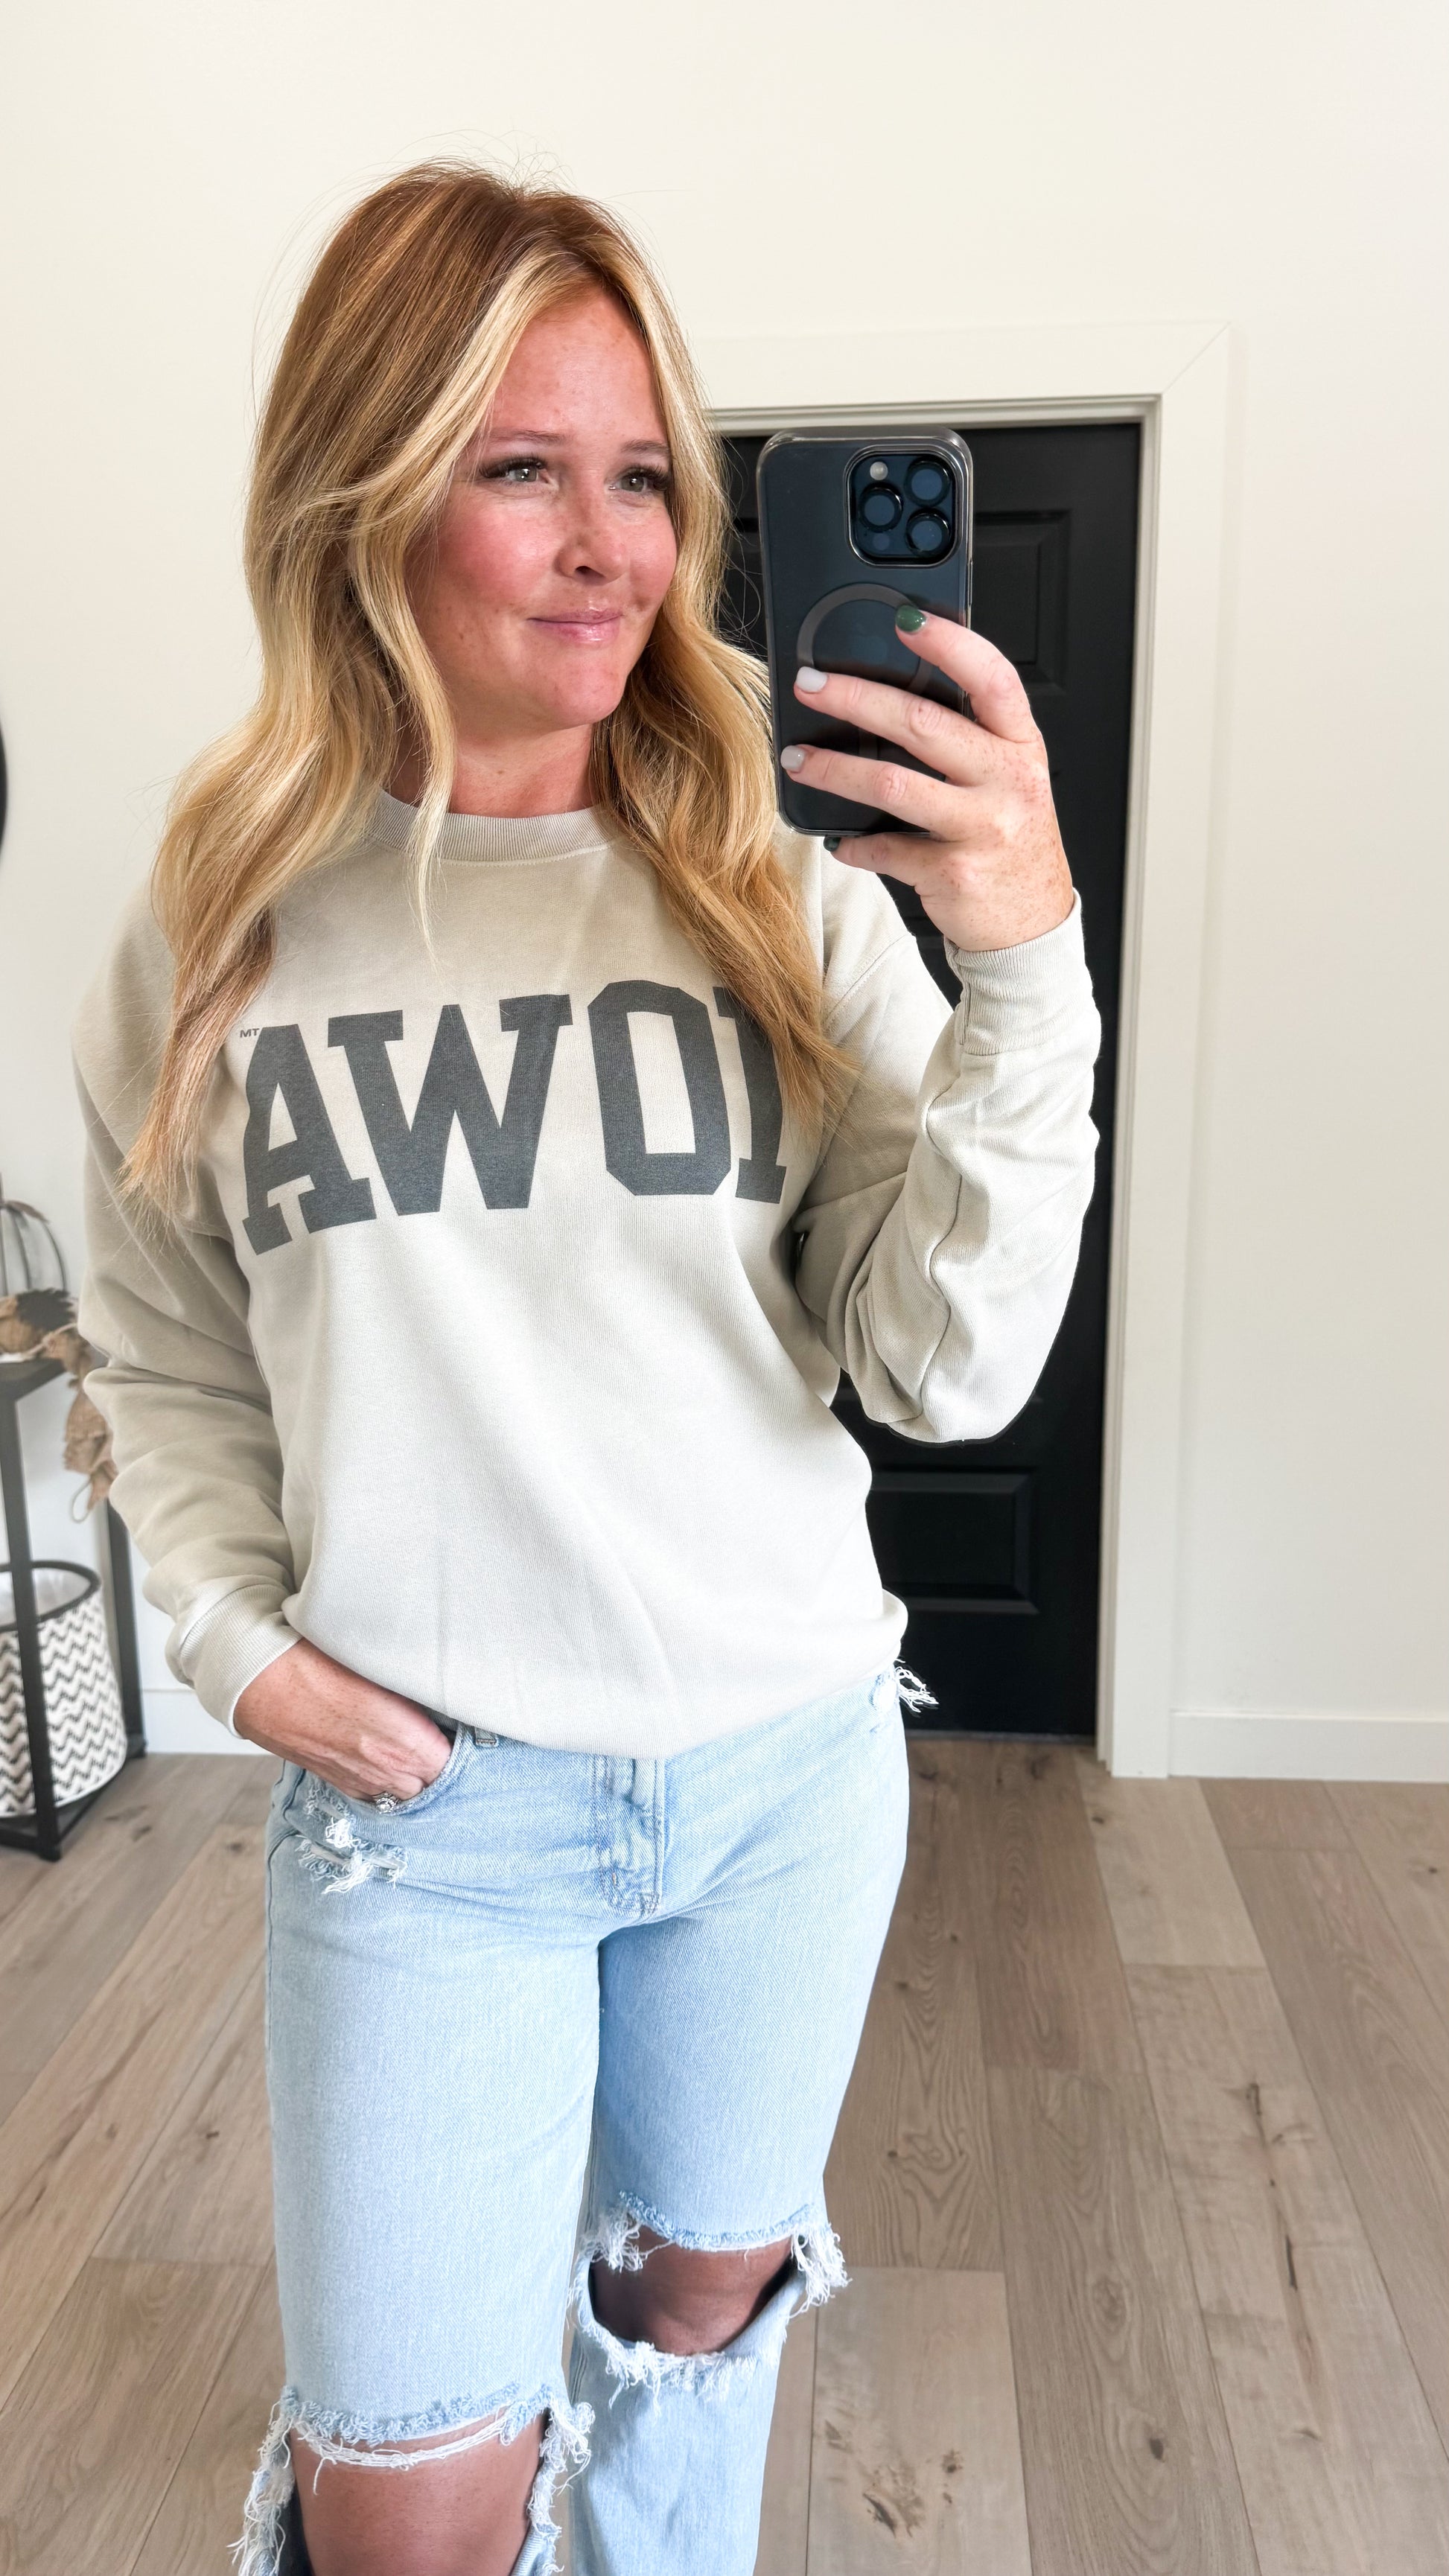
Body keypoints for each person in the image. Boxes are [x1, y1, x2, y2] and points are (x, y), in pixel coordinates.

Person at [73, 164, 1100, 2576]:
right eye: (521, 466)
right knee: (406, 2516)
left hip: (780, 1779)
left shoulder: (780, 874)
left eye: (644, 474)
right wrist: (234, 1647)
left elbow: (941, 1370)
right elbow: (165, 1353)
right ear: (362, 492)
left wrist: (1024, 961)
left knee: (688, 2350)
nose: (608, 544)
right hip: (431, 1818)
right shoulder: (218, 918)